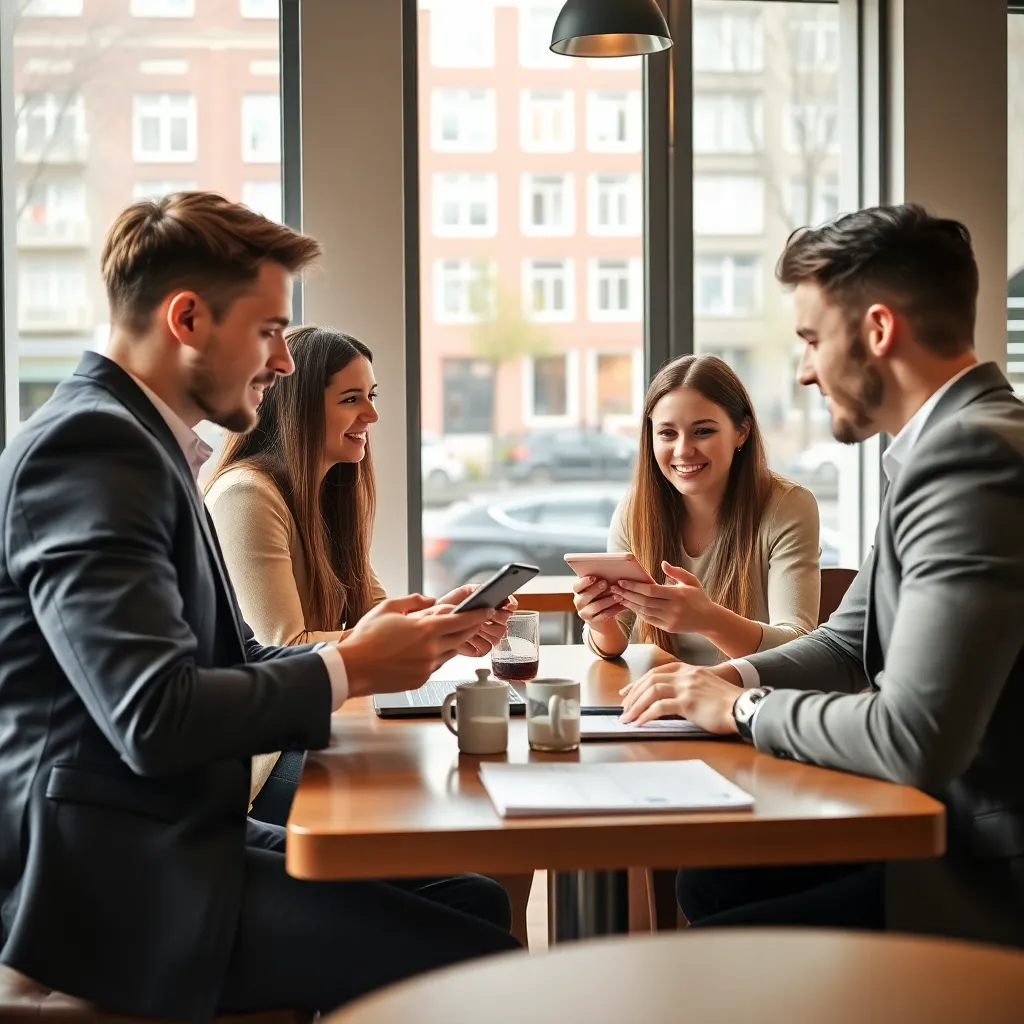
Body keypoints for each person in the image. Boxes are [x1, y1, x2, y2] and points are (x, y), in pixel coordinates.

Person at [0, 191, 519, 1024]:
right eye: (271, 329)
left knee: (473, 900)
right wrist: (351, 666)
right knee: (479, 957)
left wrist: (375, 649)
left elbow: (236, 660)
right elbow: (154, 715)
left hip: (167, 838)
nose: (283, 362)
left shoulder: (146, 446)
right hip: (104, 885)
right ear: (189, 318)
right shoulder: (91, 449)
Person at [620, 204, 1024, 947]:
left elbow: (913, 737)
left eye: (810, 339)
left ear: (877, 331)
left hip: (988, 865)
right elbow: (846, 643)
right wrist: (727, 680)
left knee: (704, 953)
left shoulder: (973, 460)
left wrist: (738, 712)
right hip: (940, 820)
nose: (804, 371)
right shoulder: (942, 447)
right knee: (709, 879)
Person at [204, 324, 533, 941]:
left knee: (488, 825)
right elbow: (285, 653)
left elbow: (373, 616)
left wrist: (447, 626)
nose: (372, 414)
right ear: (297, 404)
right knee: (470, 827)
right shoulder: (248, 495)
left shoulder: (327, 491)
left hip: (320, 737)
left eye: (371, 395)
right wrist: (410, 639)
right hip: (272, 764)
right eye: (351, 398)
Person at [575, 354, 820, 665]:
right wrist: (600, 620)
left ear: (741, 431)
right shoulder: (634, 510)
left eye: (703, 431)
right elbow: (613, 644)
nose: (683, 450)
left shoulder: (788, 506)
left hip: (745, 700)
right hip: (658, 700)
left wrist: (708, 619)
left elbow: (799, 645)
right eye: (667, 433)